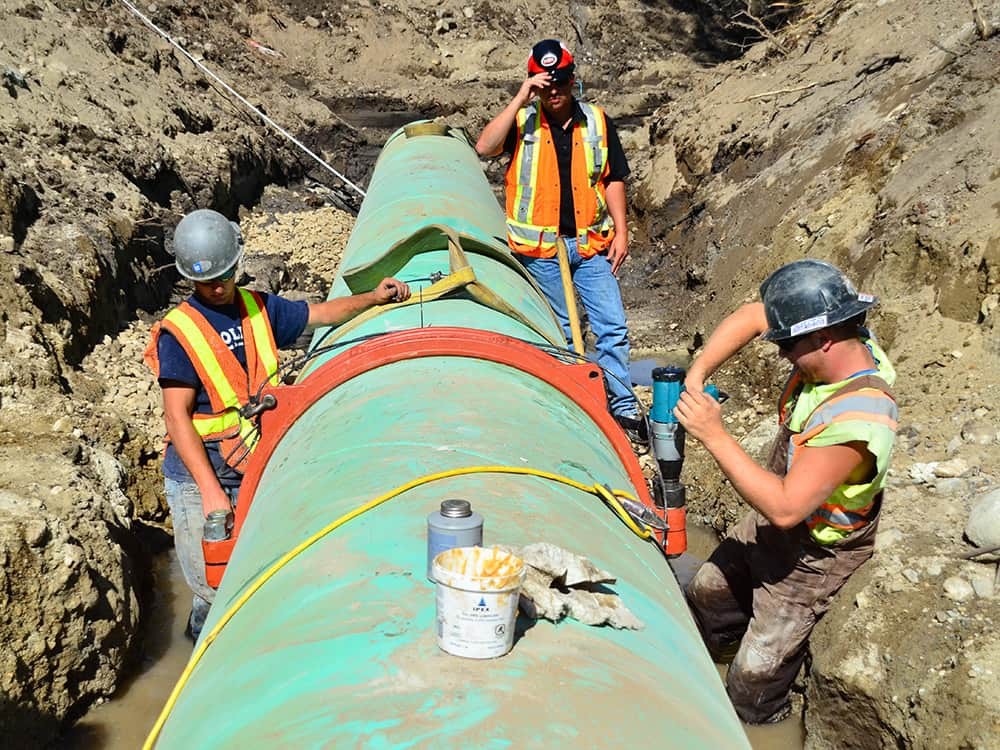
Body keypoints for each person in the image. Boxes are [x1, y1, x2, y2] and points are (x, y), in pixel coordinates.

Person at [144, 208, 410, 640]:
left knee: (250, 576)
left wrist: (373, 299)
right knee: (211, 587)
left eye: (222, 277)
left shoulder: (258, 309)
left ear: (236, 266)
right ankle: (203, 660)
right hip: (200, 477)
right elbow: (176, 417)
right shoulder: (181, 332)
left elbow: (321, 314)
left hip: (252, 463)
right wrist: (212, 492)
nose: (214, 288)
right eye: (204, 282)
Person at [674, 258, 898, 724]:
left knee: (751, 684)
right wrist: (696, 374)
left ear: (824, 338)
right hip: (774, 525)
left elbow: (785, 507)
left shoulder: (859, 416)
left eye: (788, 347)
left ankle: (765, 715)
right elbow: (753, 316)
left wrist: (714, 434)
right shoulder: (842, 338)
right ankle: (720, 653)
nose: (781, 357)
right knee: (706, 594)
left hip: (815, 556)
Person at [475, 39, 646, 443]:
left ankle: (620, 408)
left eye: (561, 83)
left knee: (611, 327)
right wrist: (521, 96)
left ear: (572, 81)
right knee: (564, 334)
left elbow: (613, 178)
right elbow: (483, 147)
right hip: (541, 251)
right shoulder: (521, 123)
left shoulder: (597, 122)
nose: (555, 93)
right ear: (536, 83)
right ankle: (577, 405)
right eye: (546, 85)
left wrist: (621, 231)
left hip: (590, 246)